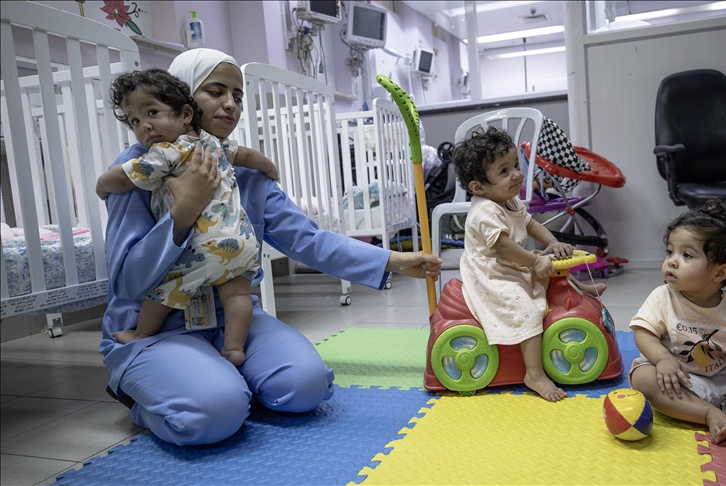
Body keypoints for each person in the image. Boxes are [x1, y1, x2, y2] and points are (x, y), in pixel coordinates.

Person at [100, 48, 442, 446]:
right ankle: (144, 396)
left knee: (307, 387)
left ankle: (225, 380)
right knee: (212, 415)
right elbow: (127, 280)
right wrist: (185, 209)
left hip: (232, 319)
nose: (230, 104)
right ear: (184, 102)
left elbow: (308, 240)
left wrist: (396, 260)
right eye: (215, 91)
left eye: (238, 95)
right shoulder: (138, 168)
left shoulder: (245, 170)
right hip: (157, 326)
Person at [97, 68, 279, 366]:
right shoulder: (213, 143)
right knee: (237, 296)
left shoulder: (167, 152)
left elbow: (127, 177)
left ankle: (142, 334)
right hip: (242, 242)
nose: (144, 126)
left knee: (162, 291)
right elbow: (246, 155)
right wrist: (269, 167)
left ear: (184, 115)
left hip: (201, 247)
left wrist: (102, 184)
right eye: (134, 121)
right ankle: (234, 347)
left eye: (152, 112)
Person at [452, 127, 606, 402]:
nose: (517, 174)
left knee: (553, 266)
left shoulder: (508, 199)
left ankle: (579, 286)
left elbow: (530, 223)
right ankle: (533, 374)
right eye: (504, 171)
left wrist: (553, 242)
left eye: (515, 166)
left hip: (513, 264)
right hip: (494, 275)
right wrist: (534, 260)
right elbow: (501, 246)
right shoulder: (484, 211)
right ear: (478, 187)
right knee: (526, 310)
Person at [628, 198, 726, 444]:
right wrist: (662, 360)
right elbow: (643, 333)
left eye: (687, 255)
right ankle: (706, 412)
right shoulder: (662, 297)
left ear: (720, 273)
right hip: (678, 377)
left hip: (725, 377)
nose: (671, 260)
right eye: (670, 251)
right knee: (643, 378)